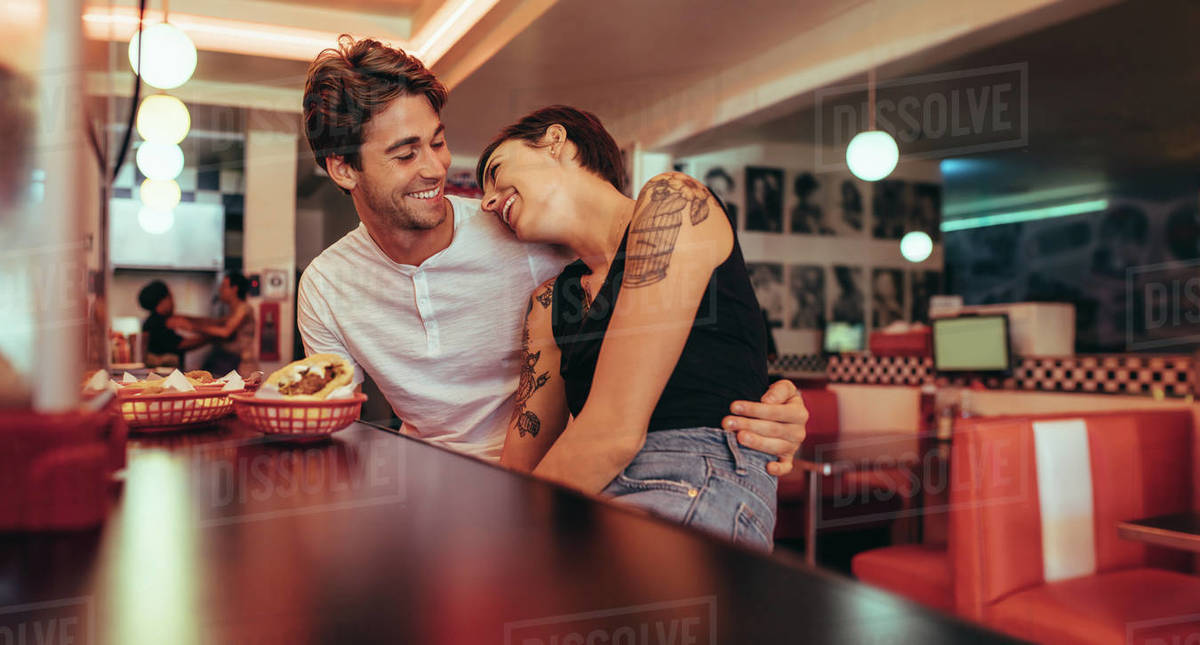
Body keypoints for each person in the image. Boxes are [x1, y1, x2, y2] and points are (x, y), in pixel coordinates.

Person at [295, 36, 808, 467]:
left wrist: (771, 399)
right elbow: (326, 420)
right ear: (344, 169)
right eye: (406, 153)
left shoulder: (531, 235)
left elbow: (672, 327)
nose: (434, 168)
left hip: (559, 480)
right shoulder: (325, 284)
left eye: (437, 141)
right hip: (430, 481)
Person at [477, 106, 780, 550]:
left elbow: (614, 431)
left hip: (696, 472)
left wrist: (506, 540)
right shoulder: (548, 301)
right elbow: (522, 463)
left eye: (496, 173)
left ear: (555, 142)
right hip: (589, 488)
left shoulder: (671, 201)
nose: (487, 202)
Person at [170, 272, 259, 376]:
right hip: (232, 365)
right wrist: (184, 318)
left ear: (234, 289)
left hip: (243, 368)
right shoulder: (233, 312)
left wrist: (190, 327)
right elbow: (213, 322)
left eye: (224, 286)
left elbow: (225, 332)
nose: (220, 290)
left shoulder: (244, 308)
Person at [137, 281, 208, 368]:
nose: (173, 302)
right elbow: (181, 344)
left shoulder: (156, 320)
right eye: (170, 297)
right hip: (163, 375)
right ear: (162, 301)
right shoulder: (156, 322)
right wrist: (211, 338)